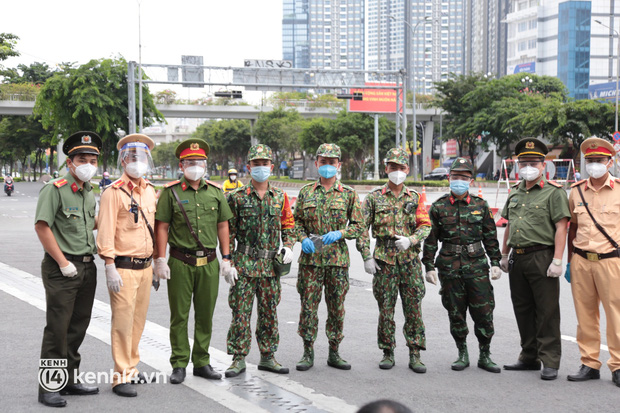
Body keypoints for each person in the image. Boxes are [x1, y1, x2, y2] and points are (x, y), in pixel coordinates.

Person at [154, 138, 234, 384]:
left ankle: (201, 362)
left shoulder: (216, 192)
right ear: (181, 165)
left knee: (205, 315)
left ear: (206, 165)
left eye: (199, 162)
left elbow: (223, 225)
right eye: (190, 162)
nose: (195, 166)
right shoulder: (171, 193)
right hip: (180, 261)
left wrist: (227, 258)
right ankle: (179, 363)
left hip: (209, 262)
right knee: (179, 315)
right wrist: (160, 258)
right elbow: (162, 227)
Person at [34, 131, 102, 407]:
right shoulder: (55, 188)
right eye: (82, 159)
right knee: (58, 328)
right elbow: (42, 226)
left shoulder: (88, 191)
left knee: (78, 326)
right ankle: (49, 385)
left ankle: (70, 379)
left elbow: (90, 225)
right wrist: (63, 262)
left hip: (87, 267)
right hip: (62, 268)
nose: (88, 164)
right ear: (70, 161)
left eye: (93, 160)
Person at [422, 157, 502, 373]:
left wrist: (495, 262)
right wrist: (428, 266)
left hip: (476, 267)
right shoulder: (438, 207)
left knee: (484, 312)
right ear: (449, 179)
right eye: (455, 177)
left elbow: (490, 237)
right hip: (449, 267)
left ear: (471, 181)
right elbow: (431, 239)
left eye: (463, 177)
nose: (459, 181)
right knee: (455, 312)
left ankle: (485, 354)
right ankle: (462, 352)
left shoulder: (480, 205)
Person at [499, 138, 570, 381]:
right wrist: (504, 254)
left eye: (533, 162)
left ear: (543, 165)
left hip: (542, 256)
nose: (528, 167)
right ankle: (529, 356)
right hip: (518, 258)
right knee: (523, 309)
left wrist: (558, 260)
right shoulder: (515, 192)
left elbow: (562, 227)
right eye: (524, 163)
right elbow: (509, 224)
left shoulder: (554, 192)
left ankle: (549, 361)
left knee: (547, 311)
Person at [96, 134, 160, 397]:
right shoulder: (113, 192)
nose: (138, 162)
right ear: (123, 160)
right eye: (133, 157)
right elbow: (106, 231)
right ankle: (120, 375)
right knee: (122, 323)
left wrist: (156, 262)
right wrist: (109, 264)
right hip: (122, 267)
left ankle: (131, 368)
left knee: (137, 322)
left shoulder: (149, 190)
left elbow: (153, 230)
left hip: (145, 268)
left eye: (142, 157)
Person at [223, 144, 295, 377]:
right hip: (244, 265)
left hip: (270, 267)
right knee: (241, 313)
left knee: (269, 313)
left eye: (265, 164)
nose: (261, 167)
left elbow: (289, 226)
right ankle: (238, 358)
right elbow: (228, 233)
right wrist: (228, 263)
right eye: (256, 164)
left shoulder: (280, 197)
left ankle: (267, 356)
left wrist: (289, 246)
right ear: (248, 167)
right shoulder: (236, 197)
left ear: (271, 167)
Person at [357, 148, 431, 373]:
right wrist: (366, 256)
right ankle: (387, 351)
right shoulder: (373, 198)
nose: (397, 171)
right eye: (393, 167)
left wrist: (411, 239)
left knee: (413, 309)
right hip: (384, 261)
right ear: (386, 168)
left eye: (401, 168)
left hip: (409, 261)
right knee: (386, 310)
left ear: (407, 169)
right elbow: (361, 228)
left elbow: (425, 225)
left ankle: (415, 352)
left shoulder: (415, 197)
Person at [293, 143, 364, 371]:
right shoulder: (306, 192)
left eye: (332, 162)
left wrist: (341, 233)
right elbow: (295, 222)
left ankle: (334, 352)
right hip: (311, 261)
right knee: (308, 307)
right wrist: (302, 237)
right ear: (316, 164)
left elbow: (359, 225)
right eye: (323, 162)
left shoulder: (349, 194)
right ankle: (307, 351)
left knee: (336, 308)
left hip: (337, 261)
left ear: (339, 165)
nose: (327, 166)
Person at [565, 137, 620, 387]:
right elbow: (572, 229)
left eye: (598, 160)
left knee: (616, 315)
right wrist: (568, 262)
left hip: (611, 262)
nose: (594, 165)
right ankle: (589, 364)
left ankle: (618, 366)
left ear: (610, 162)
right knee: (585, 315)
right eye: (590, 161)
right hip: (581, 261)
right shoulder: (575, 191)